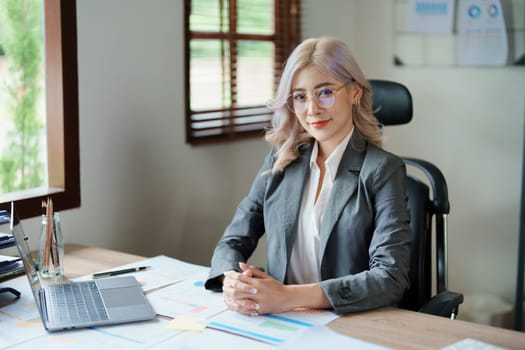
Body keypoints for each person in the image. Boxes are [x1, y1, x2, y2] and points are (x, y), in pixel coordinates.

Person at [204, 36, 412, 316]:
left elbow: (390, 278)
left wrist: (288, 296)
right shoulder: (282, 160)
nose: (312, 109)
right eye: (300, 96)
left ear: (355, 92)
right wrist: (232, 280)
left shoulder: (382, 170)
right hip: (283, 319)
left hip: (349, 321)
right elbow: (234, 239)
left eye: (325, 92)